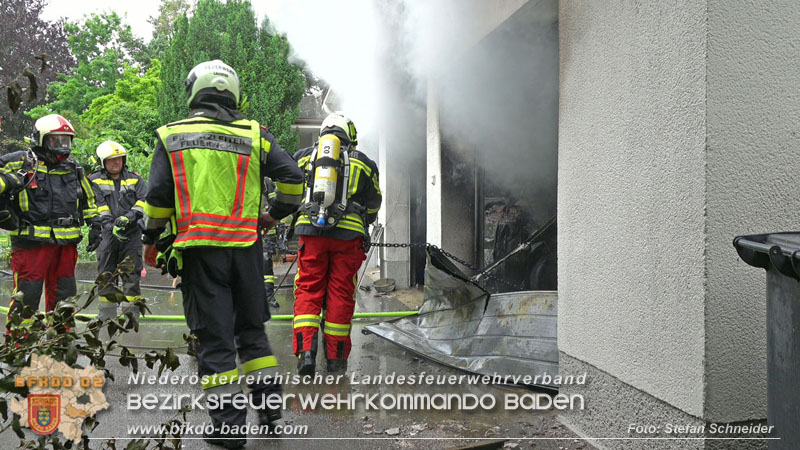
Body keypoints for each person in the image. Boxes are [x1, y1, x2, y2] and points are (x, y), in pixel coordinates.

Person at [140, 60, 304, 448]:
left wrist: (149, 239)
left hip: (200, 254)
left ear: (194, 91)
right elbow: (294, 182)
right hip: (246, 252)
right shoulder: (255, 134)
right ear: (233, 92)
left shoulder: (171, 136)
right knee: (251, 333)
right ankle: (269, 411)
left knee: (214, 341)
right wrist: (270, 216)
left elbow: (159, 199)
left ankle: (229, 428)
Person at [292, 113, 381, 375]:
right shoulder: (364, 162)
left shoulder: (304, 157)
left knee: (308, 288)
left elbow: (288, 188)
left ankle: (306, 354)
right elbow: (374, 201)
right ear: (350, 135)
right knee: (341, 293)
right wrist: (367, 219)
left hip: (311, 232)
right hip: (348, 238)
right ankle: (336, 360)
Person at [0, 114, 100, 329]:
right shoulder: (20, 162)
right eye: (56, 140)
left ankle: (60, 340)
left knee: (65, 297)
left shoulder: (73, 169)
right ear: (41, 140)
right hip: (31, 244)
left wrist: (96, 225)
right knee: (27, 297)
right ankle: (19, 345)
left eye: (66, 140)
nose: (63, 146)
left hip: (65, 245)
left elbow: (89, 199)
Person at [89, 141, 146, 323]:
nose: (116, 163)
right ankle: (107, 317)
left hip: (132, 235)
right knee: (106, 275)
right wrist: (109, 225)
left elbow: (144, 200)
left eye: (119, 159)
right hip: (107, 236)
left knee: (131, 275)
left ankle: (132, 317)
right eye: (112, 160)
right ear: (103, 162)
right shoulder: (94, 180)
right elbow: (98, 205)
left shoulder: (134, 179)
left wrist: (129, 217)